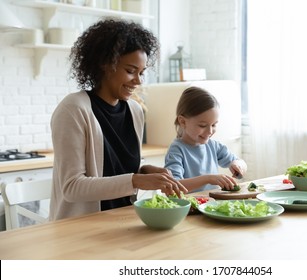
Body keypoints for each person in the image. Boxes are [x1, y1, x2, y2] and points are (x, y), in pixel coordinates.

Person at [49, 19, 187, 221]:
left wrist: (144, 171)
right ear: (106, 64)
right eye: (131, 71)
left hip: (124, 220)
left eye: (142, 73)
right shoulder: (73, 110)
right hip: (81, 229)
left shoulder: (135, 111)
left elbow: (117, 169)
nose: (138, 81)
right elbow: (72, 187)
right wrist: (137, 180)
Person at [164, 86, 247, 193]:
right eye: (203, 125)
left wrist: (238, 165)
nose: (210, 131)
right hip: (191, 207)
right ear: (183, 122)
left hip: (212, 205)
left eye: (214, 125)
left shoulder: (213, 146)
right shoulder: (177, 150)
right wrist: (208, 179)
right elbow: (174, 185)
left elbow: (240, 161)